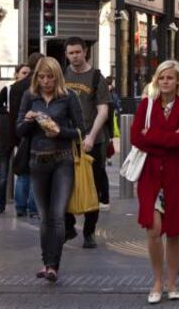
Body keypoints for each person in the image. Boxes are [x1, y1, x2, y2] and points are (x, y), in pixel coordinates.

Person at [131, 60, 179, 303]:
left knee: (174, 232)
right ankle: (157, 281)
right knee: (153, 230)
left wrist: (151, 136)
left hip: (176, 175)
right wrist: (166, 139)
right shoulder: (147, 105)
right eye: (161, 77)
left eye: (169, 78)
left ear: (177, 81)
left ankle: (172, 282)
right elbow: (135, 138)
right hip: (150, 175)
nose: (165, 82)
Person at [16, 56, 84, 283]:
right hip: (37, 160)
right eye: (41, 77)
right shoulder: (30, 97)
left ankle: (53, 266)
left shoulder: (68, 97)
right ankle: (46, 263)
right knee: (44, 217)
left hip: (63, 160)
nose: (45, 81)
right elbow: (19, 130)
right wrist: (28, 121)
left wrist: (60, 131)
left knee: (57, 215)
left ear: (57, 77)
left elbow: (80, 130)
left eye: (50, 77)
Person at [62, 37, 110, 249]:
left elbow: (103, 110)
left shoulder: (97, 77)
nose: (75, 56)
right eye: (71, 53)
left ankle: (89, 232)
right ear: (66, 55)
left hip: (93, 142)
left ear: (85, 52)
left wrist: (91, 136)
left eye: (78, 52)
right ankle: (68, 225)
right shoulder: (62, 75)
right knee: (63, 184)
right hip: (67, 140)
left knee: (93, 189)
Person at [0, 63, 31, 214]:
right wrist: (9, 110)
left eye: (28, 73)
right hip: (7, 133)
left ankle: (24, 203)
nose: (26, 76)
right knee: (3, 171)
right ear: (16, 74)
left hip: (22, 132)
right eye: (24, 73)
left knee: (24, 169)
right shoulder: (7, 89)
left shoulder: (31, 91)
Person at [11, 53, 43, 218]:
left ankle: (20, 206)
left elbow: (14, 112)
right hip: (37, 132)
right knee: (35, 172)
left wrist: (17, 131)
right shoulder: (40, 85)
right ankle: (33, 207)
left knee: (23, 172)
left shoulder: (16, 86)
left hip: (22, 132)